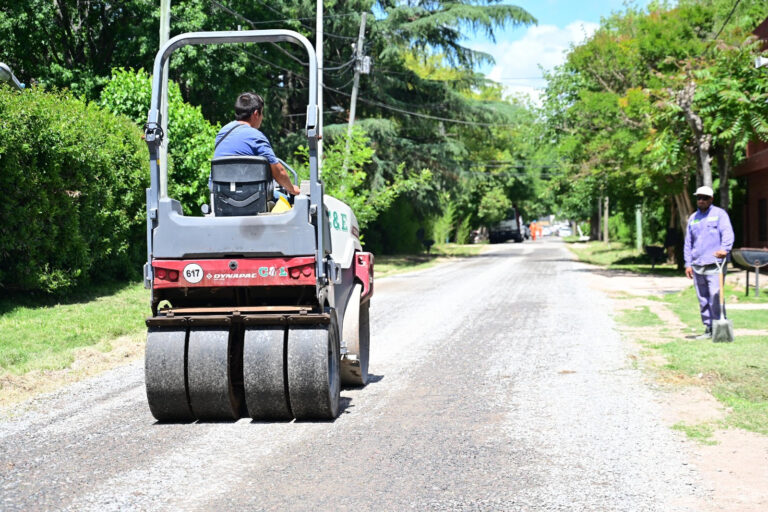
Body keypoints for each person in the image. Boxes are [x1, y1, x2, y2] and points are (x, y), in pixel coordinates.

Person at [213, 92, 300, 195]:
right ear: (256, 114)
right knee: (286, 199)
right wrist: (292, 189)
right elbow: (279, 172)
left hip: (221, 197)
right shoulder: (255, 136)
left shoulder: (222, 133)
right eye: (262, 113)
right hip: (249, 198)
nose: (262, 117)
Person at [683, 185, 734, 339]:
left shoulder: (720, 214)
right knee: (703, 298)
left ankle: (719, 327)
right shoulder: (693, 218)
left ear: (711, 199)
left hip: (715, 264)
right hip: (698, 264)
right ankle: (708, 328)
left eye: (705, 198)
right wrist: (688, 264)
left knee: (715, 296)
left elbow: (727, 233)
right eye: (699, 197)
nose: (701, 200)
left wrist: (725, 249)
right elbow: (688, 243)